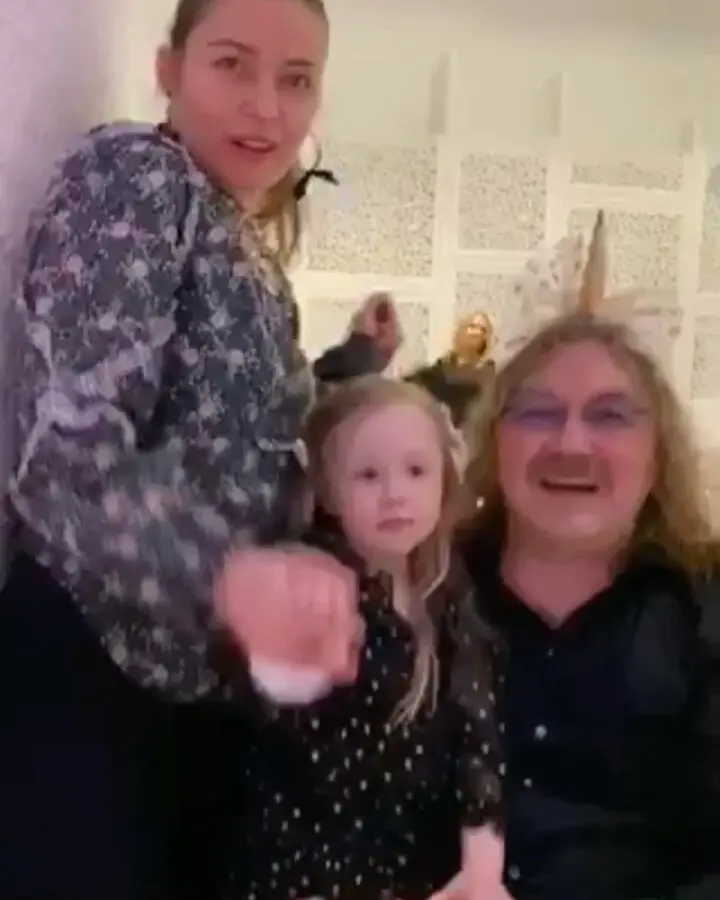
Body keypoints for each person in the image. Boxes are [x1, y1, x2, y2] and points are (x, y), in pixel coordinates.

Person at [0, 0, 399, 897]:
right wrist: (230, 576)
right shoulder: (136, 179)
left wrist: (351, 366)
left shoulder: (237, 240)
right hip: (93, 683)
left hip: (194, 701)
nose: (266, 105)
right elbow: (63, 461)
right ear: (168, 69)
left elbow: (232, 431)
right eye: (231, 64)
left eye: (296, 80)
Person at [457, 221, 720, 898]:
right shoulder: (418, 594)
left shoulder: (704, 611)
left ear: (659, 451)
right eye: (538, 413)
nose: (571, 444)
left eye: (610, 416)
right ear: (494, 442)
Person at [214, 376, 506, 900]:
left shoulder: (449, 592)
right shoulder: (313, 585)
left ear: (445, 479)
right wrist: (283, 656)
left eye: (416, 471)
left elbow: (476, 724)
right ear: (329, 491)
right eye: (368, 475)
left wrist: (483, 859)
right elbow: (271, 710)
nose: (395, 494)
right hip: (306, 873)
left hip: (416, 869)